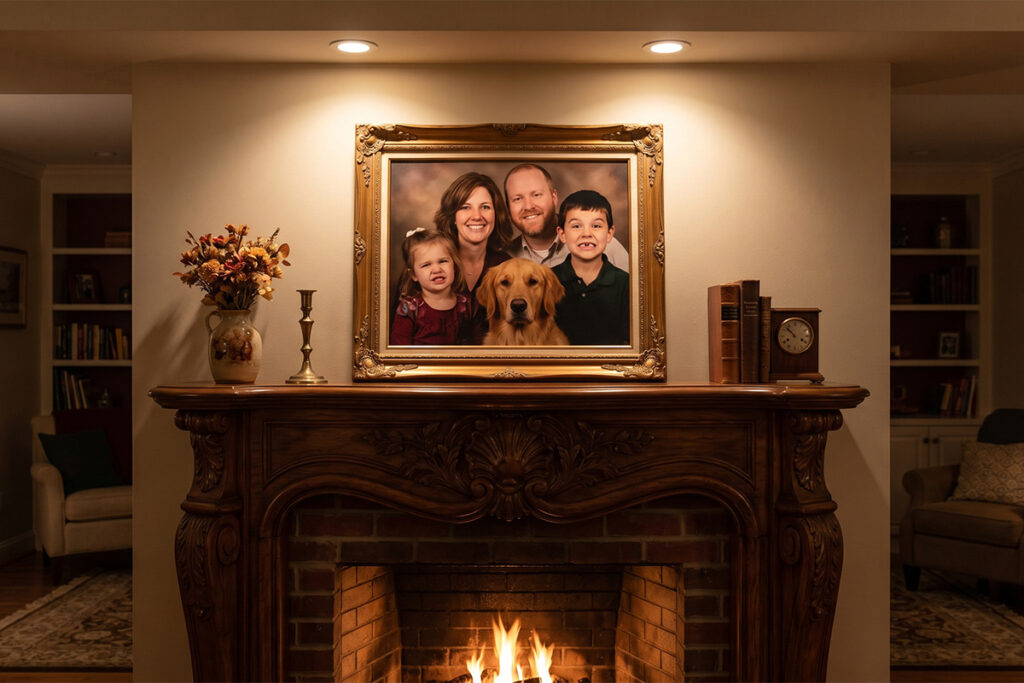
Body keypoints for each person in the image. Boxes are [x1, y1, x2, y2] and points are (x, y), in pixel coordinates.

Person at [503, 163, 630, 272]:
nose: (528, 206)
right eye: (517, 199)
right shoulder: (505, 258)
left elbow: (637, 295)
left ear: (554, 198)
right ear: (508, 207)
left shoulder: (602, 245)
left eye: (536, 195)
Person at [434, 172, 513, 342]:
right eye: (465, 207)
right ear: (453, 217)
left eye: (485, 207)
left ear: (496, 214)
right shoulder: (432, 262)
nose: (477, 216)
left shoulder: (507, 266)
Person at [551, 189, 630, 345]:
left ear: (609, 233)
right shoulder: (546, 281)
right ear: (562, 234)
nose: (586, 233)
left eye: (596, 226)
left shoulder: (626, 285)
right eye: (576, 226)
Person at [390, 228, 474, 346]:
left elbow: (472, 344)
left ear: (454, 265)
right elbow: (398, 348)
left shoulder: (464, 305)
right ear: (414, 275)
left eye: (443, 261)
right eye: (426, 265)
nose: (437, 269)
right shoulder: (410, 309)